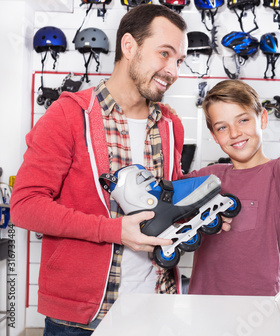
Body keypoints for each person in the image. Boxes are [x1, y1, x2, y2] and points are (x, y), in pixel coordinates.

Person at [11, 5, 188, 335]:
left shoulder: (170, 124)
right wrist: (113, 230)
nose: (173, 70)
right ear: (129, 46)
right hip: (81, 321)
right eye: (164, 54)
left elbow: (167, 202)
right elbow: (25, 207)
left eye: (179, 60)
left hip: (155, 307)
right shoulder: (68, 115)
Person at [176, 79, 280, 296]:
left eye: (243, 120)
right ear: (215, 137)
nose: (234, 133)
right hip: (202, 304)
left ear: (262, 119)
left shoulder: (278, 176)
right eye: (222, 127)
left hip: (258, 308)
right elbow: (167, 198)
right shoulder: (208, 177)